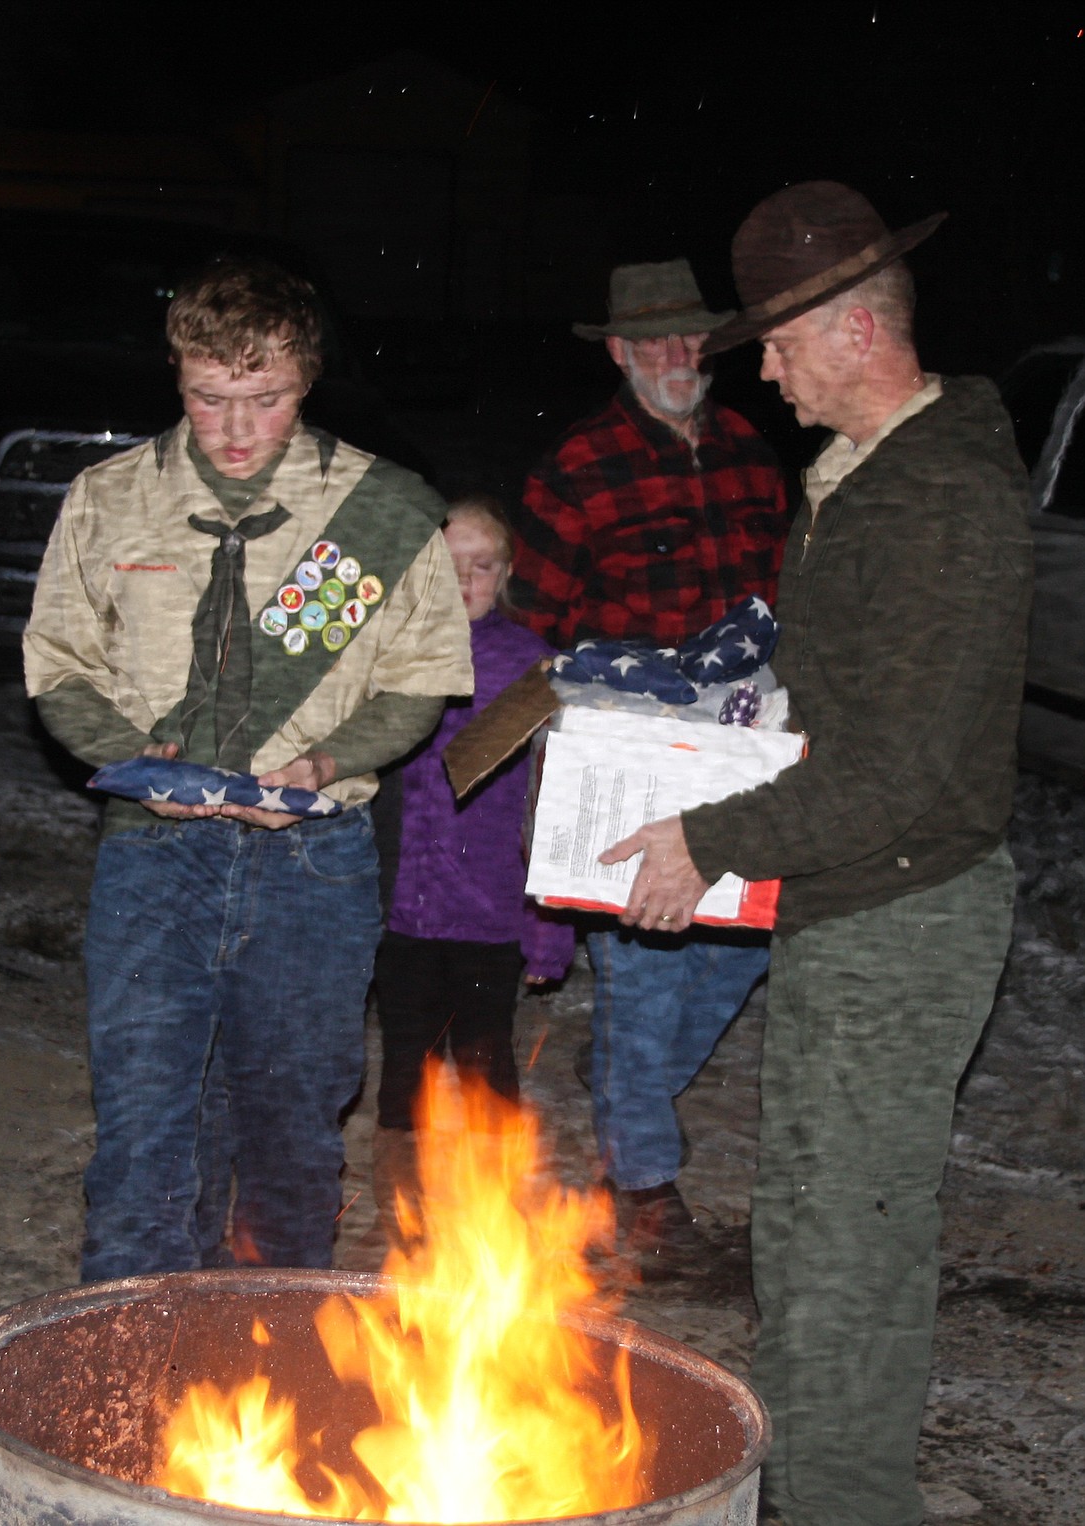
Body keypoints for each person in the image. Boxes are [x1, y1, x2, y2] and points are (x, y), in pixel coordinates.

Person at [601, 183, 1033, 1526]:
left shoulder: (938, 499)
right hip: (852, 899)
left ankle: (838, 1498)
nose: (763, 372)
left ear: (853, 331)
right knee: (807, 1220)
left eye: (777, 345)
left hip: (901, 911)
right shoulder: (863, 481)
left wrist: (706, 837)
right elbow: (834, 707)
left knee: (844, 1239)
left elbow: (898, 768)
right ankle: (806, 1478)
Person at [23, 257, 473, 1280]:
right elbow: (57, 664)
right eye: (209, 398)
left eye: (262, 400)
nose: (232, 428)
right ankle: (134, 1374)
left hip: (313, 864)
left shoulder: (380, 511)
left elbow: (421, 675)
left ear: (305, 380)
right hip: (154, 855)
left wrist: (330, 758)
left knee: (291, 1140)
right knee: (144, 1133)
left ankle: (275, 1362)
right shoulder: (110, 500)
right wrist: (129, 754)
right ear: (177, 379)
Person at [510, 258, 788, 1275]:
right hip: (625, 754)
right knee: (646, 960)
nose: (678, 357)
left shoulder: (755, 455)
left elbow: (780, 602)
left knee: (744, 941)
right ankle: (644, 1185)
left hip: (741, 744)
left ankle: (630, 1089)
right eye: (655, 340)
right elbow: (526, 629)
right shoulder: (577, 467)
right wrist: (538, 766)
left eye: (692, 339)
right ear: (620, 351)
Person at [372, 496, 575, 1233]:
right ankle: (404, 1204)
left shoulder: (533, 668)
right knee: (406, 1061)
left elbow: (555, 802)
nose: (463, 581)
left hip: (490, 915)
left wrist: (550, 926)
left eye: (481, 566)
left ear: (508, 572)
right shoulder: (387, 652)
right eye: (447, 564)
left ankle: (492, 1207)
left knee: (485, 1060)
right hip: (402, 913)